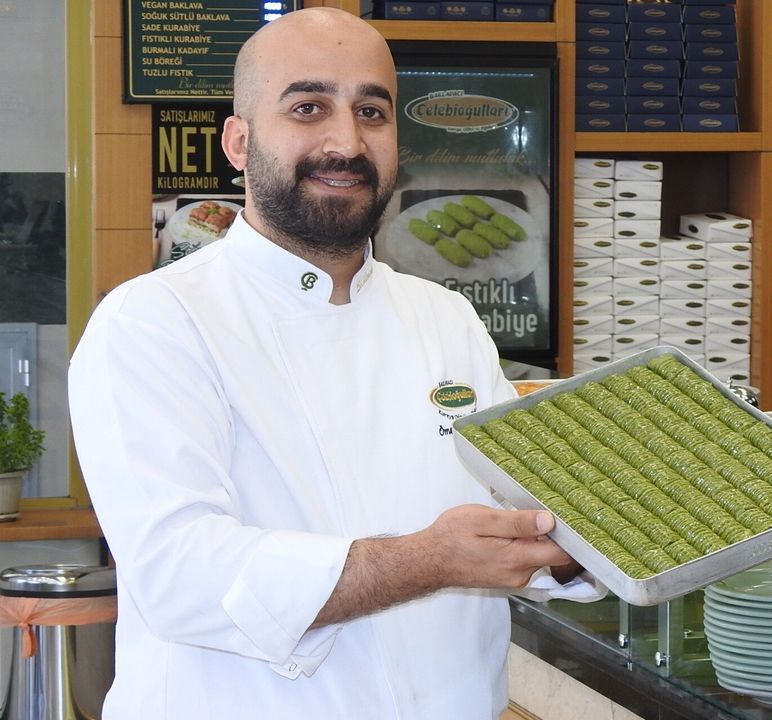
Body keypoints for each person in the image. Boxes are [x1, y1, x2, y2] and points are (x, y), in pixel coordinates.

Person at [68, 8, 599, 719]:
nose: (347, 142)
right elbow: (180, 575)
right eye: (308, 107)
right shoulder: (155, 321)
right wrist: (427, 560)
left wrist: (583, 537)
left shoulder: (445, 318)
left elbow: (524, 511)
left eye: (371, 112)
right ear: (238, 141)